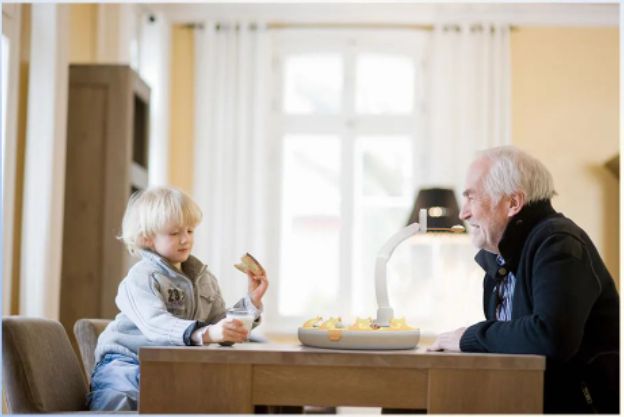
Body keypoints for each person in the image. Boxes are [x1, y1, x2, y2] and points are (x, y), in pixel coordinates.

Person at [428, 146, 619, 413]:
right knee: (409, 402)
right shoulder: (500, 258)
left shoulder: (558, 242)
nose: (463, 213)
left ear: (514, 203)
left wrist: (466, 337)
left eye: (471, 198)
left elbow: (550, 337)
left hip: (576, 406)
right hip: (525, 399)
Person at [87, 186, 269, 411]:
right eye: (174, 233)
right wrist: (208, 333)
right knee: (121, 399)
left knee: (231, 393)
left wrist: (251, 302)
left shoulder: (204, 278)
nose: (185, 240)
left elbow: (220, 322)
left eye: (190, 231)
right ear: (147, 238)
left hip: (175, 364)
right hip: (128, 361)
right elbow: (156, 324)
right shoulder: (141, 277)